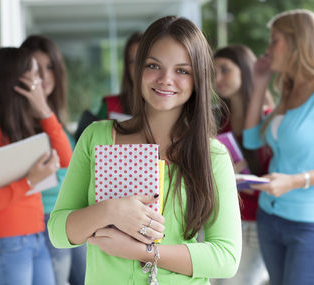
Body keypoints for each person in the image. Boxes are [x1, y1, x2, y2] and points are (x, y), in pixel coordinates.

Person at [48, 15, 241, 284]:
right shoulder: (98, 137)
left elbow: (226, 257)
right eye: (154, 65)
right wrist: (110, 211)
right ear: (137, 70)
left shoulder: (212, 154)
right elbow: (58, 232)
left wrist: (144, 252)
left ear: (198, 78)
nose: (166, 79)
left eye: (182, 70)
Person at [243, 9, 314, 285]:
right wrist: (259, 84)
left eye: (274, 40)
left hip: (310, 225)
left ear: (298, 42)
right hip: (270, 217)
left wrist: (294, 181)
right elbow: (252, 140)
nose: (268, 49)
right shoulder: (288, 90)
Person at [0, 47, 72, 285]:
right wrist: (30, 181)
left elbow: (67, 158)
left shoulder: (25, 124)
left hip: (34, 237)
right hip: (5, 243)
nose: (41, 81)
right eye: (33, 75)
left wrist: (44, 109)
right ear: (16, 83)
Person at [21, 35, 86, 285]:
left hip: (72, 211)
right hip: (45, 216)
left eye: (50, 68)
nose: (45, 76)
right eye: (36, 68)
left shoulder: (54, 114)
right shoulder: (22, 118)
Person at [213, 45, 272, 285]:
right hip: (218, 219)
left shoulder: (267, 118)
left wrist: (238, 180)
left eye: (224, 70)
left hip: (253, 223)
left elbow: (278, 178)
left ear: (245, 70)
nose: (217, 78)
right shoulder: (216, 121)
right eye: (213, 72)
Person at [75, 32, 142, 140]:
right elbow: (93, 146)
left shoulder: (168, 107)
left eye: (143, 60)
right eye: (132, 61)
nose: (137, 67)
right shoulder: (110, 106)